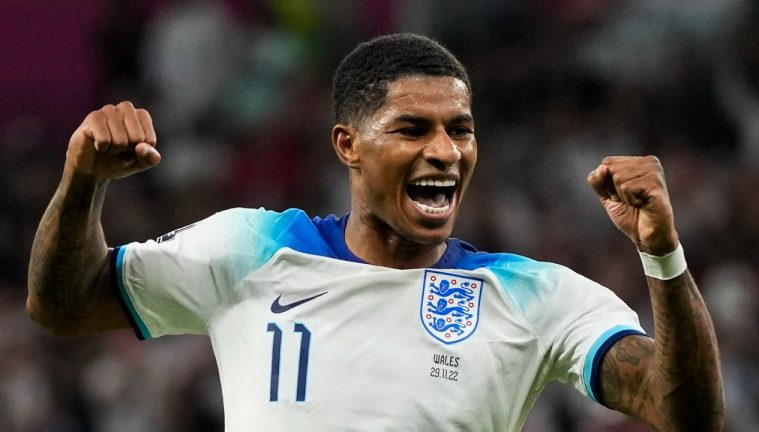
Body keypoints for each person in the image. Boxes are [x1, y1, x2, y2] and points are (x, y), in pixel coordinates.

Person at [27, 33, 723, 431]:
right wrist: (82, 180)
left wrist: (662, 255)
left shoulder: (533, 295)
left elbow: (687, 415)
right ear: (348, 145)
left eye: (461, 129)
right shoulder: (249, 251)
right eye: (413, 129)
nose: (446, 151)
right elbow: (62, 304)